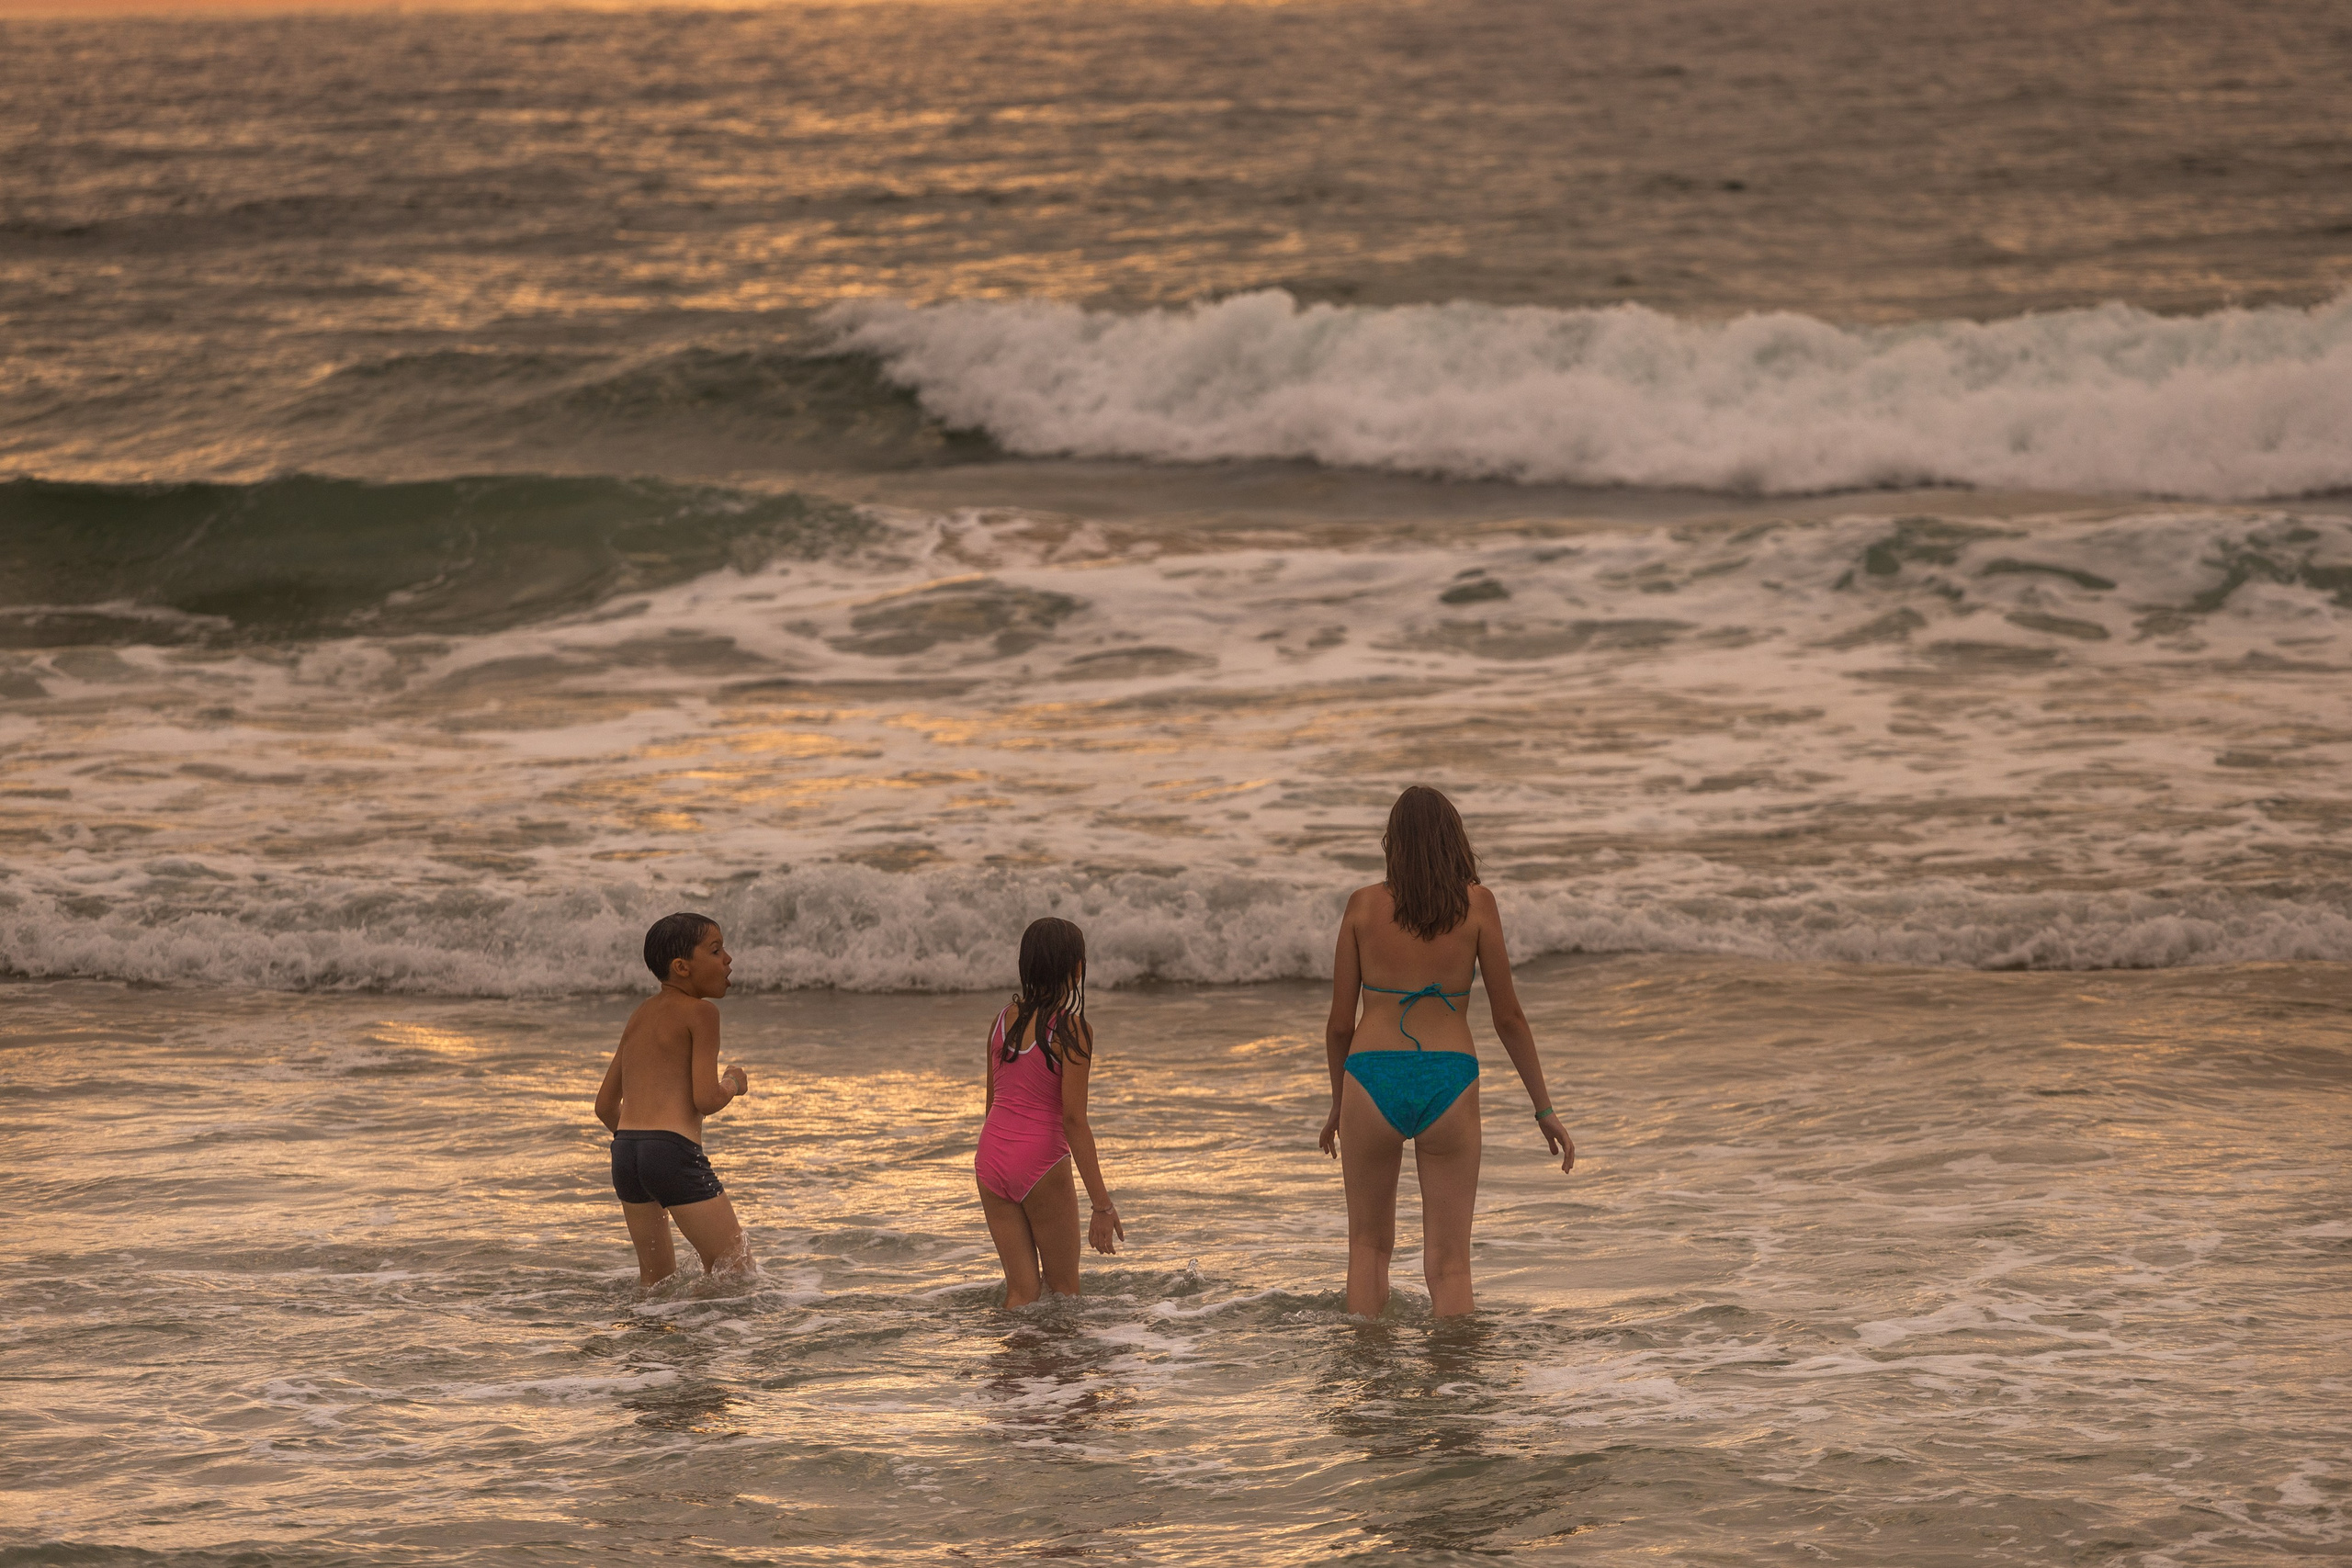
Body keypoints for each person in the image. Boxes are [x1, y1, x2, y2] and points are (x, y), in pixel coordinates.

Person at [1319, 785, 1573, 1317]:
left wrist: (1339, 1103)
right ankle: (1455, 1387)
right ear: (1453, 840)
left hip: (1370, 1075)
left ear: (1394, 844)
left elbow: (1341, 1024)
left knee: (1367, 1247)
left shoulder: (1363, 905)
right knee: (1451, 1263)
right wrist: (1544, 1109)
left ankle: (1366, 1381)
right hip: (1450, 1079)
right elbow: (1509, 1017)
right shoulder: (1477, 905)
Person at [594, 912, 755, 1285]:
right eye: (716, 950)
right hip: (670, 1152)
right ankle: (716, 1343)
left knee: (655, 1279)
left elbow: (604, 1106)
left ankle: (645, 1341)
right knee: (736, 1271)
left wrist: (641, 1144)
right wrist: (732, 1082)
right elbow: (706, 1099)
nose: (728, 958)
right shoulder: (702, 1013)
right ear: (682, 967)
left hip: (627, 1153)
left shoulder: (640, 1014)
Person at [976, 917, 1124, 1306]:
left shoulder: (1000, 1022)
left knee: (1022, 1292)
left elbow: (992, 1105)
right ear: (1074, 968)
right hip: (1039, 1161)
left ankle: (1011, 1366)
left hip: (991, 1157)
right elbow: (1074, 1121)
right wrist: (1102, 1204)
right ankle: (1060, 1368)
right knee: (1065, 1291)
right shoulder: (1072, 1030)